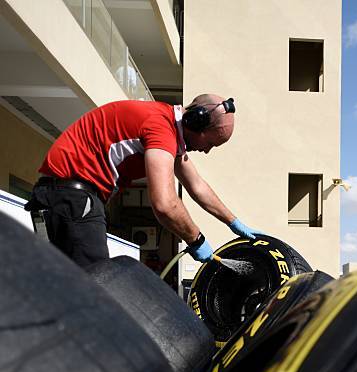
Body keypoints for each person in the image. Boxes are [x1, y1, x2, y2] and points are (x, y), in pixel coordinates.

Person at [25, 94, 262, 267]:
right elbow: (165, 204)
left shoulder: (167, 126)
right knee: (94, 291)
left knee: (64, 289)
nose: (207, 151)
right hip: (73, 198)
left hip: (64, 196)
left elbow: (197, 186)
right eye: (210, 143)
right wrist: (196, 240)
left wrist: (234, 223)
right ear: (195, 122)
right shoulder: (161, 129)